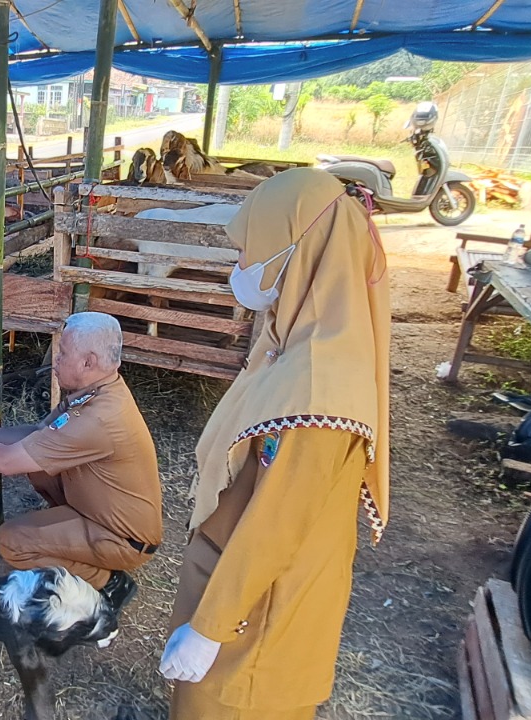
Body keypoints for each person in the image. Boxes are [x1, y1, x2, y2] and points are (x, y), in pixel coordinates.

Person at [156, 167, 391, 719]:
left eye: (249, 252)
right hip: (242, 590)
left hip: (257, 617)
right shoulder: (295, 343)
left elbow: (277, 521)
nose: (240, 269)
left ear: (297, 251)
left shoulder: (318, 391)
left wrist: (210, 629)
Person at [0, 312, 160, 610]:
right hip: (101, 514)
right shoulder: (96, 392)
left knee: (12, 541)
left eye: (63, 353)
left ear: (88, 362)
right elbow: (37, 435)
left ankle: (109, 582)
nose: (56, 361)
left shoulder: (100, 417)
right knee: (40, 469)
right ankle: (73, 537)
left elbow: (6, 463)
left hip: (123, 538)